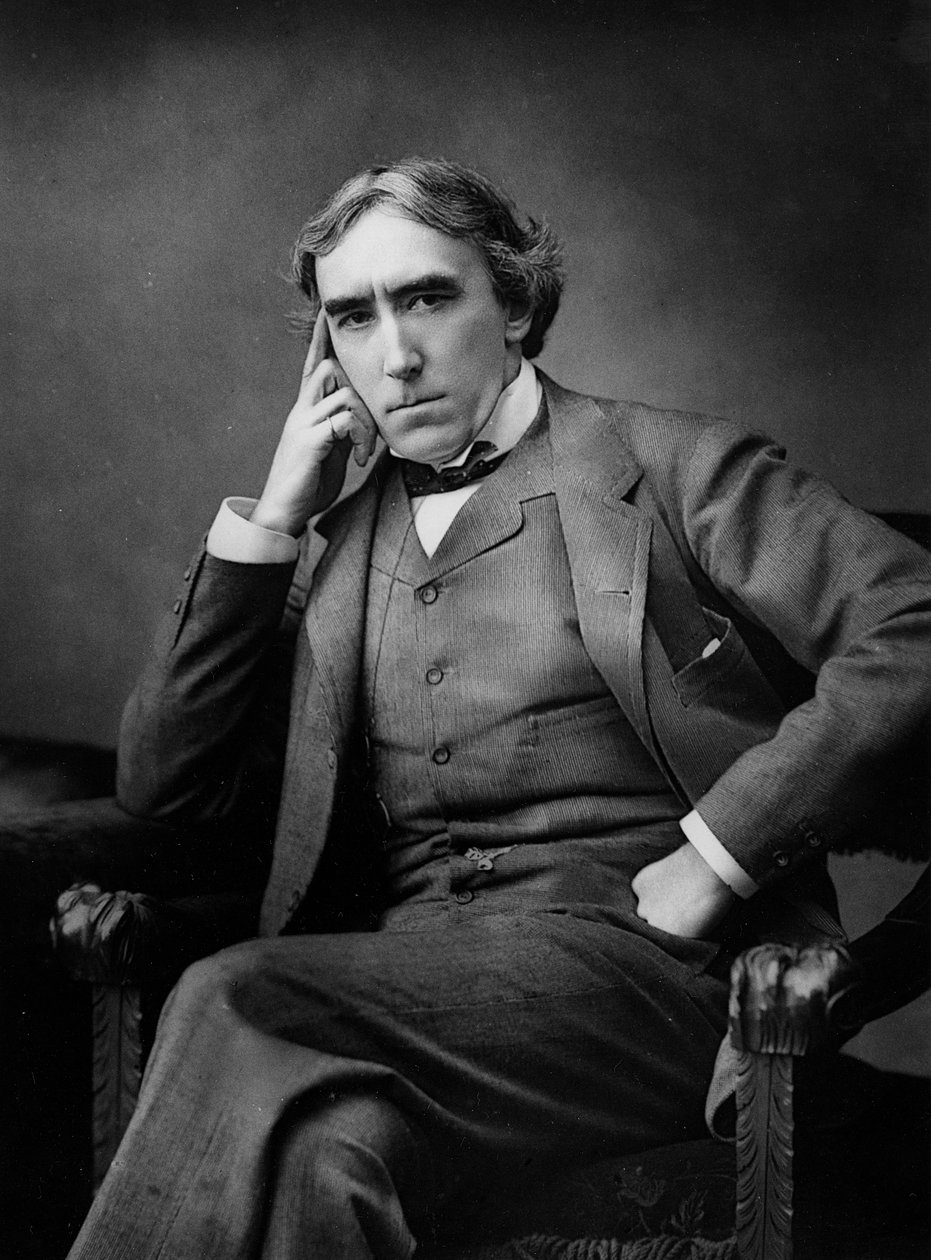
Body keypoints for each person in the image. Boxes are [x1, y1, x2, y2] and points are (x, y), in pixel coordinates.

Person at [66, 157, 931, 1259]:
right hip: (404, 1001)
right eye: (353, 317)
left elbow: (912, 625)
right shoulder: (340, 541)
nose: (396, 353)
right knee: (323, 1150)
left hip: (644, 982)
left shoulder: (676, 467)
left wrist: (717, 855)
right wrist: (271, 521)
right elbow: (163, 785)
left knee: (235, 993)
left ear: (514, 305)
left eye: (428, 297)